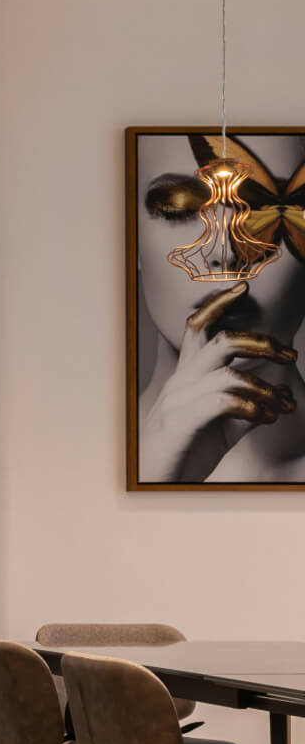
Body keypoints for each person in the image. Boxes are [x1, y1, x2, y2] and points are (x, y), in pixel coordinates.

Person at [134, 132, 305, 484]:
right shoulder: (56, 455)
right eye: (178, 208)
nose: (226, 253)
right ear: (131, 239)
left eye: (271, 213)